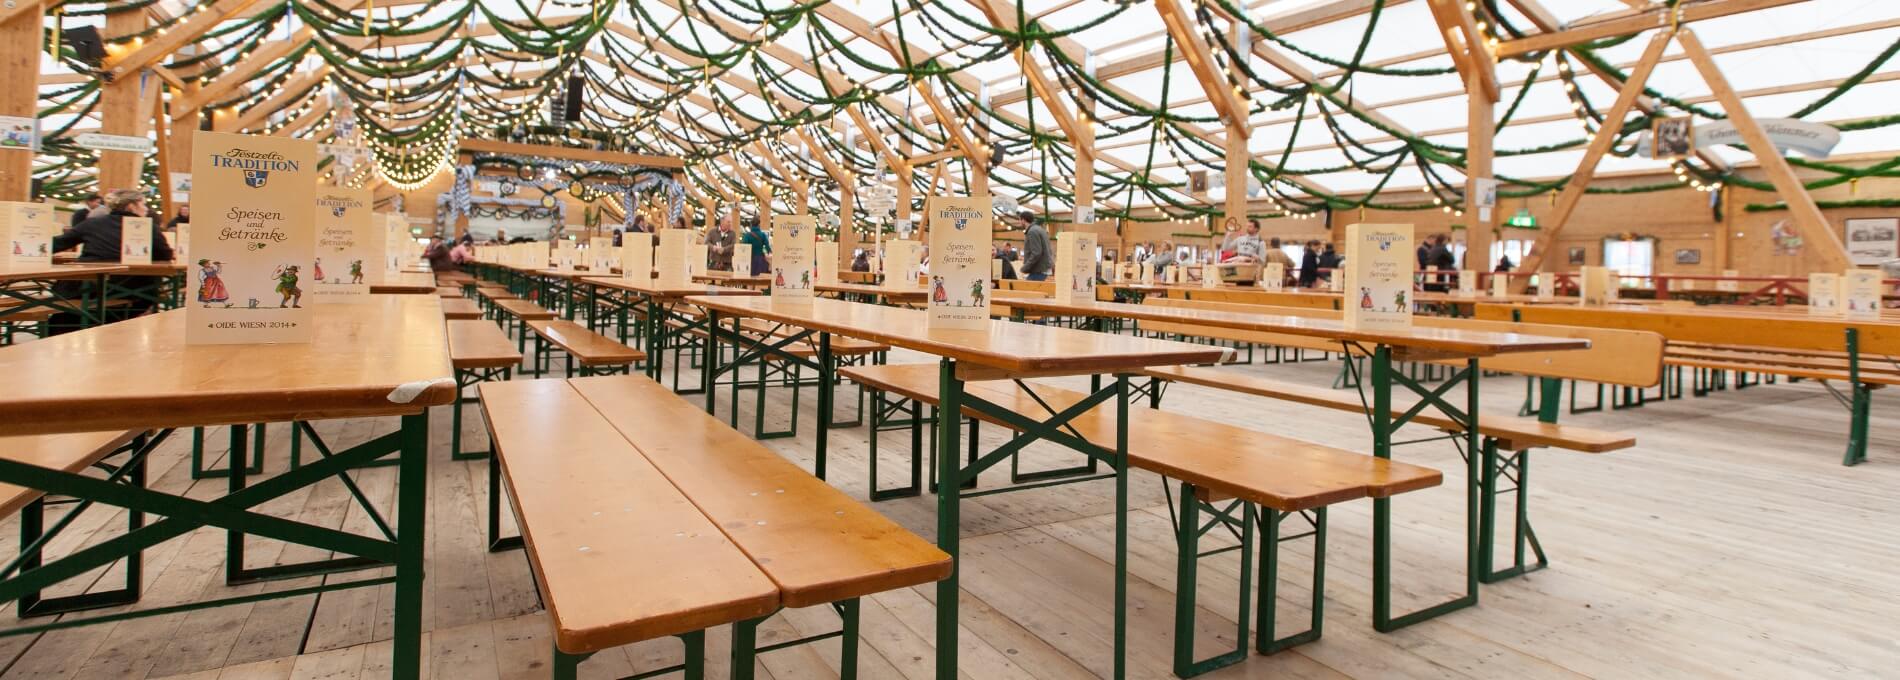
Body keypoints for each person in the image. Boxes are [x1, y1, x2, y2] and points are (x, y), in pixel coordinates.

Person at [49, 189, 174, 331]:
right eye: (143, 204)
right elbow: (165, 255)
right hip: (134, 290)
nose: (146, 208)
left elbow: (57, 244)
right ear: (131, 206)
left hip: (86, 288)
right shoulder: (147, 227)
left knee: (66, 307)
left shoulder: (91, 223)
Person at [1016, 209, 1052, 281]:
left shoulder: (1032, 231)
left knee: (1025, 290)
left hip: (1038, 270)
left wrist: (1024, 268)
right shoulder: (1039, 229)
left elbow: (1036, 253)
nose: (1019, 222)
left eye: (1019, 220)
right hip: (1042, 269)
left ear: (1023, 220)